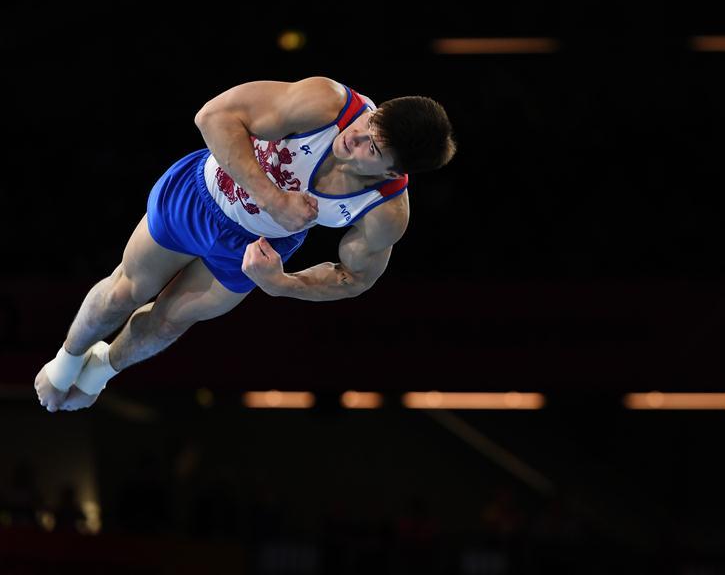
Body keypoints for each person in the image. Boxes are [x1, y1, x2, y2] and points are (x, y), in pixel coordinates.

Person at [34, 76, 456, 412]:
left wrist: (279, 284)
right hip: (201, 194)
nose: (357, 137)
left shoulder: (385, 214)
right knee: (125, 292)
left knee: (168, 321)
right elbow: (213, 116)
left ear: (392, 172)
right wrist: (273, 199)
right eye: (370, 123)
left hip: (254, 249)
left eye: (373, 148)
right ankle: (66, 362)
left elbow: (355, 279)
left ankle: (98, 375)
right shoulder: (325, 103)